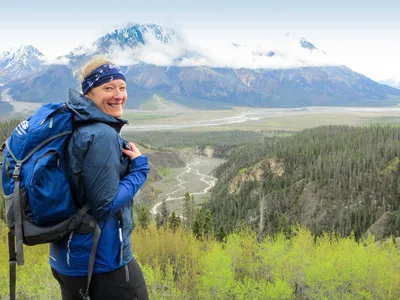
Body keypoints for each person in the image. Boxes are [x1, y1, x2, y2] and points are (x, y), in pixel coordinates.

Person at [49, 58, 150, 300]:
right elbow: (104, 205)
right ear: (89, 93)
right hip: (103, 263)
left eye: (122, 87)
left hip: (68, 260)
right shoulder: (101, 134)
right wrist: (139, 170)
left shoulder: (72, 124)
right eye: (108, 88)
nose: (118, 95)